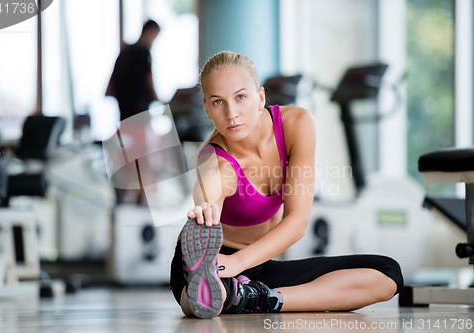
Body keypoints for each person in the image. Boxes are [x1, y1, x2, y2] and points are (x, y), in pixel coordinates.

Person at [169, 51, 403, 319]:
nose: (231, 113)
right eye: (218, 102)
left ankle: (255, 297)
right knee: (212, 296)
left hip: (254, 265)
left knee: (387, 273)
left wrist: (238, 264)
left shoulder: (297, 124)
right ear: (207, 108)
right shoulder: (214, 161)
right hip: (215, 264)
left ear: (260, 97)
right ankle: (207, 291)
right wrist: (205, 212)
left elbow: (297, 223)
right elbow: (209, 193)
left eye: (240, 97)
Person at [106, 19, 160, 121]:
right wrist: (158, 100)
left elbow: (112, 81)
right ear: (150, 31)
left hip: (123, 108)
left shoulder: (125, 51)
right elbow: (148, 79)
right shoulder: (143, 53)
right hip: (139, 108)